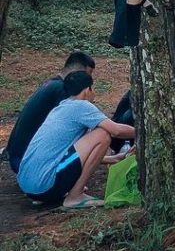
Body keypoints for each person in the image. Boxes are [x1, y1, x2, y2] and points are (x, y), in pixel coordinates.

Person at [16, 70, 135, 210]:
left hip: (29, 186)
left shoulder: (60, 108)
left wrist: (113, 159)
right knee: (102, 134)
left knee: (98, 135)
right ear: (87, 90)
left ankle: (61, 192)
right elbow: (116, 130)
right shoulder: (82, 106)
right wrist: (143, 132)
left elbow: (73, 153)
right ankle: (75, 196)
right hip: (44, 186)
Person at [5, 51, 97, 174]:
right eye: (88, 75)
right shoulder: (61, 90)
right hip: (26, 163)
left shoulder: (52, 84)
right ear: (76, 73)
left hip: (18, 158)